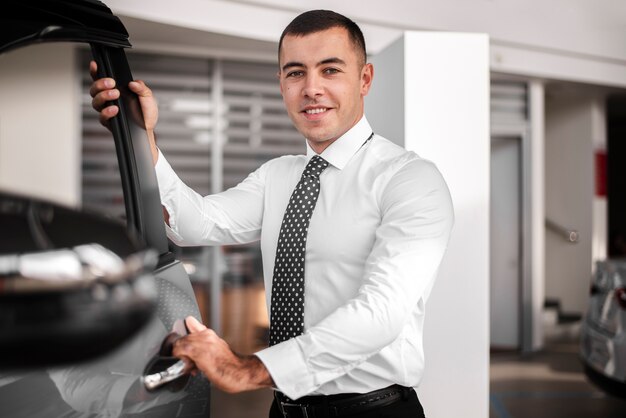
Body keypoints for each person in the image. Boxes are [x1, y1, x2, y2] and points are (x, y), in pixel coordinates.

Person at [90, 9, 453, 417]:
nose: (311, 88)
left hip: (373, 411)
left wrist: (248, 369)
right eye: (295, 73)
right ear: (281, 83)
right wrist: (143, 137)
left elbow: (381, 312)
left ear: (364, 78)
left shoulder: (409, 179)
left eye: (330, 70)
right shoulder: (278, 175)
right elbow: (198, 223)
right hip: (283, 409)